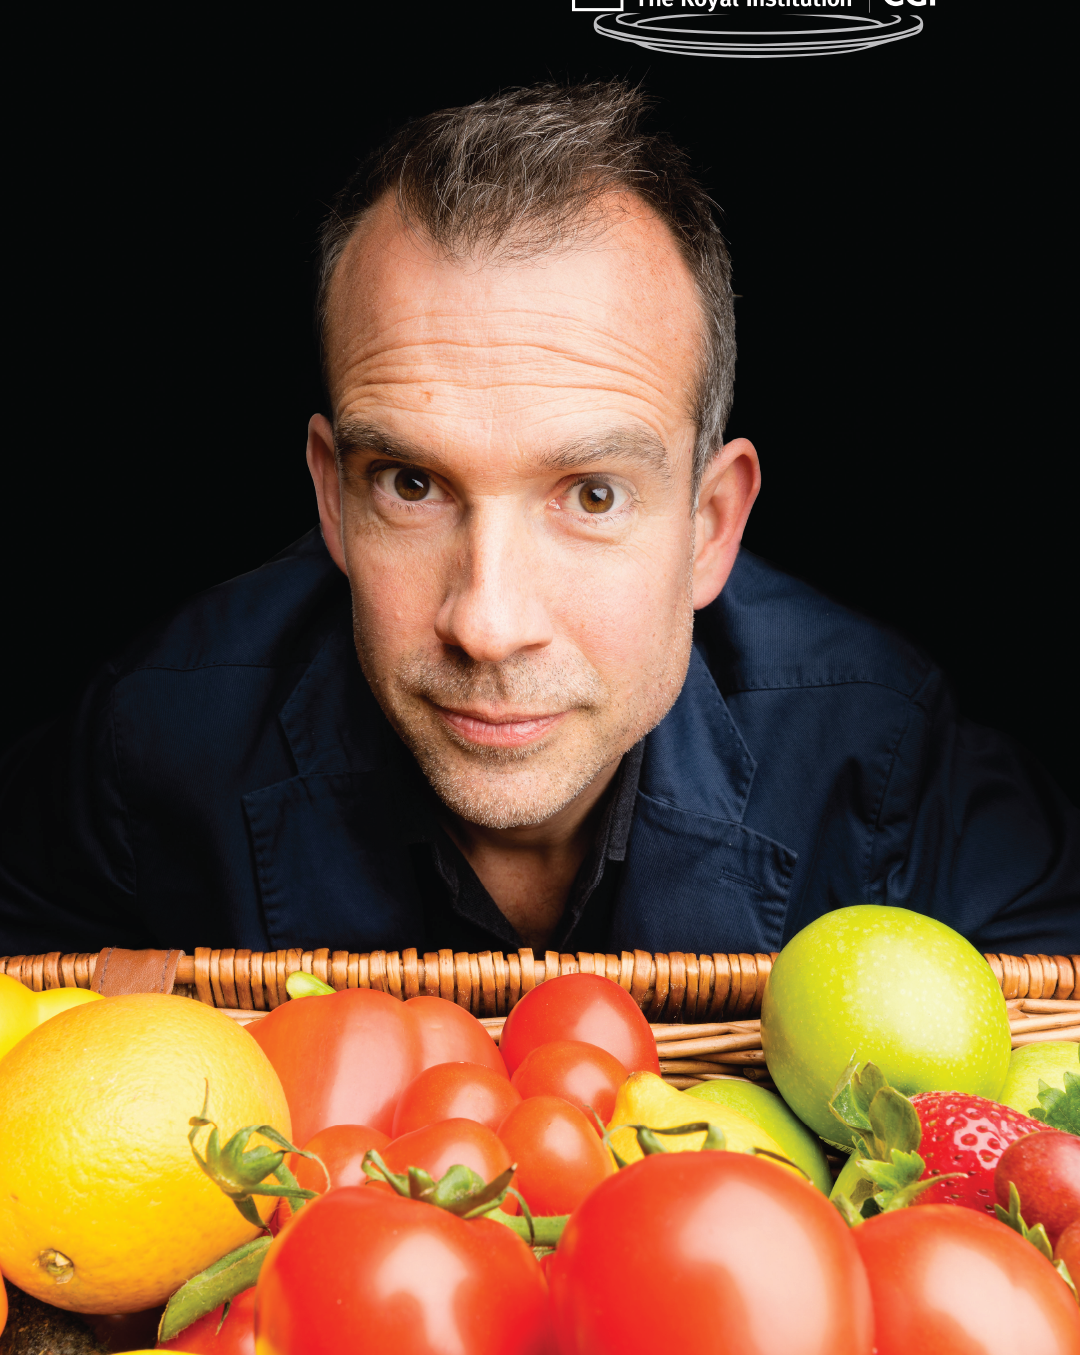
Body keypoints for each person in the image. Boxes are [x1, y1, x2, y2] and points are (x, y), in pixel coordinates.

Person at [1, 82, 1077, 960]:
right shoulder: (148, 745)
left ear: (710, 526)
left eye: (592, 494)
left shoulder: (883, 751)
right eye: (411, 485)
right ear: (332, 495)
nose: (489, 622)